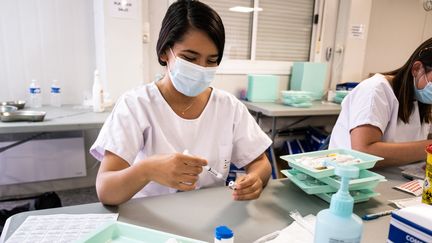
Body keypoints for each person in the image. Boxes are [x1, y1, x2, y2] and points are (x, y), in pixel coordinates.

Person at [90, 0, 272, 206]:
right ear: (164, 52)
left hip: (208, 215)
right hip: (151, 216)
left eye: (211, 60)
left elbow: (260, 162)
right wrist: (147, 170)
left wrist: (255, 179)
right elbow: (106, 190)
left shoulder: (228, 107)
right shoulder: (136, 105)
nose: (201, 68)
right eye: (190, 58)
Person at [329, 38, 432, 167]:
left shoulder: (423, 99)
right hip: (353, 179)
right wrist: (429, 147)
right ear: (417, 69)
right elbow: (363, 152)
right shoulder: (376, 90)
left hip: (398, 179)